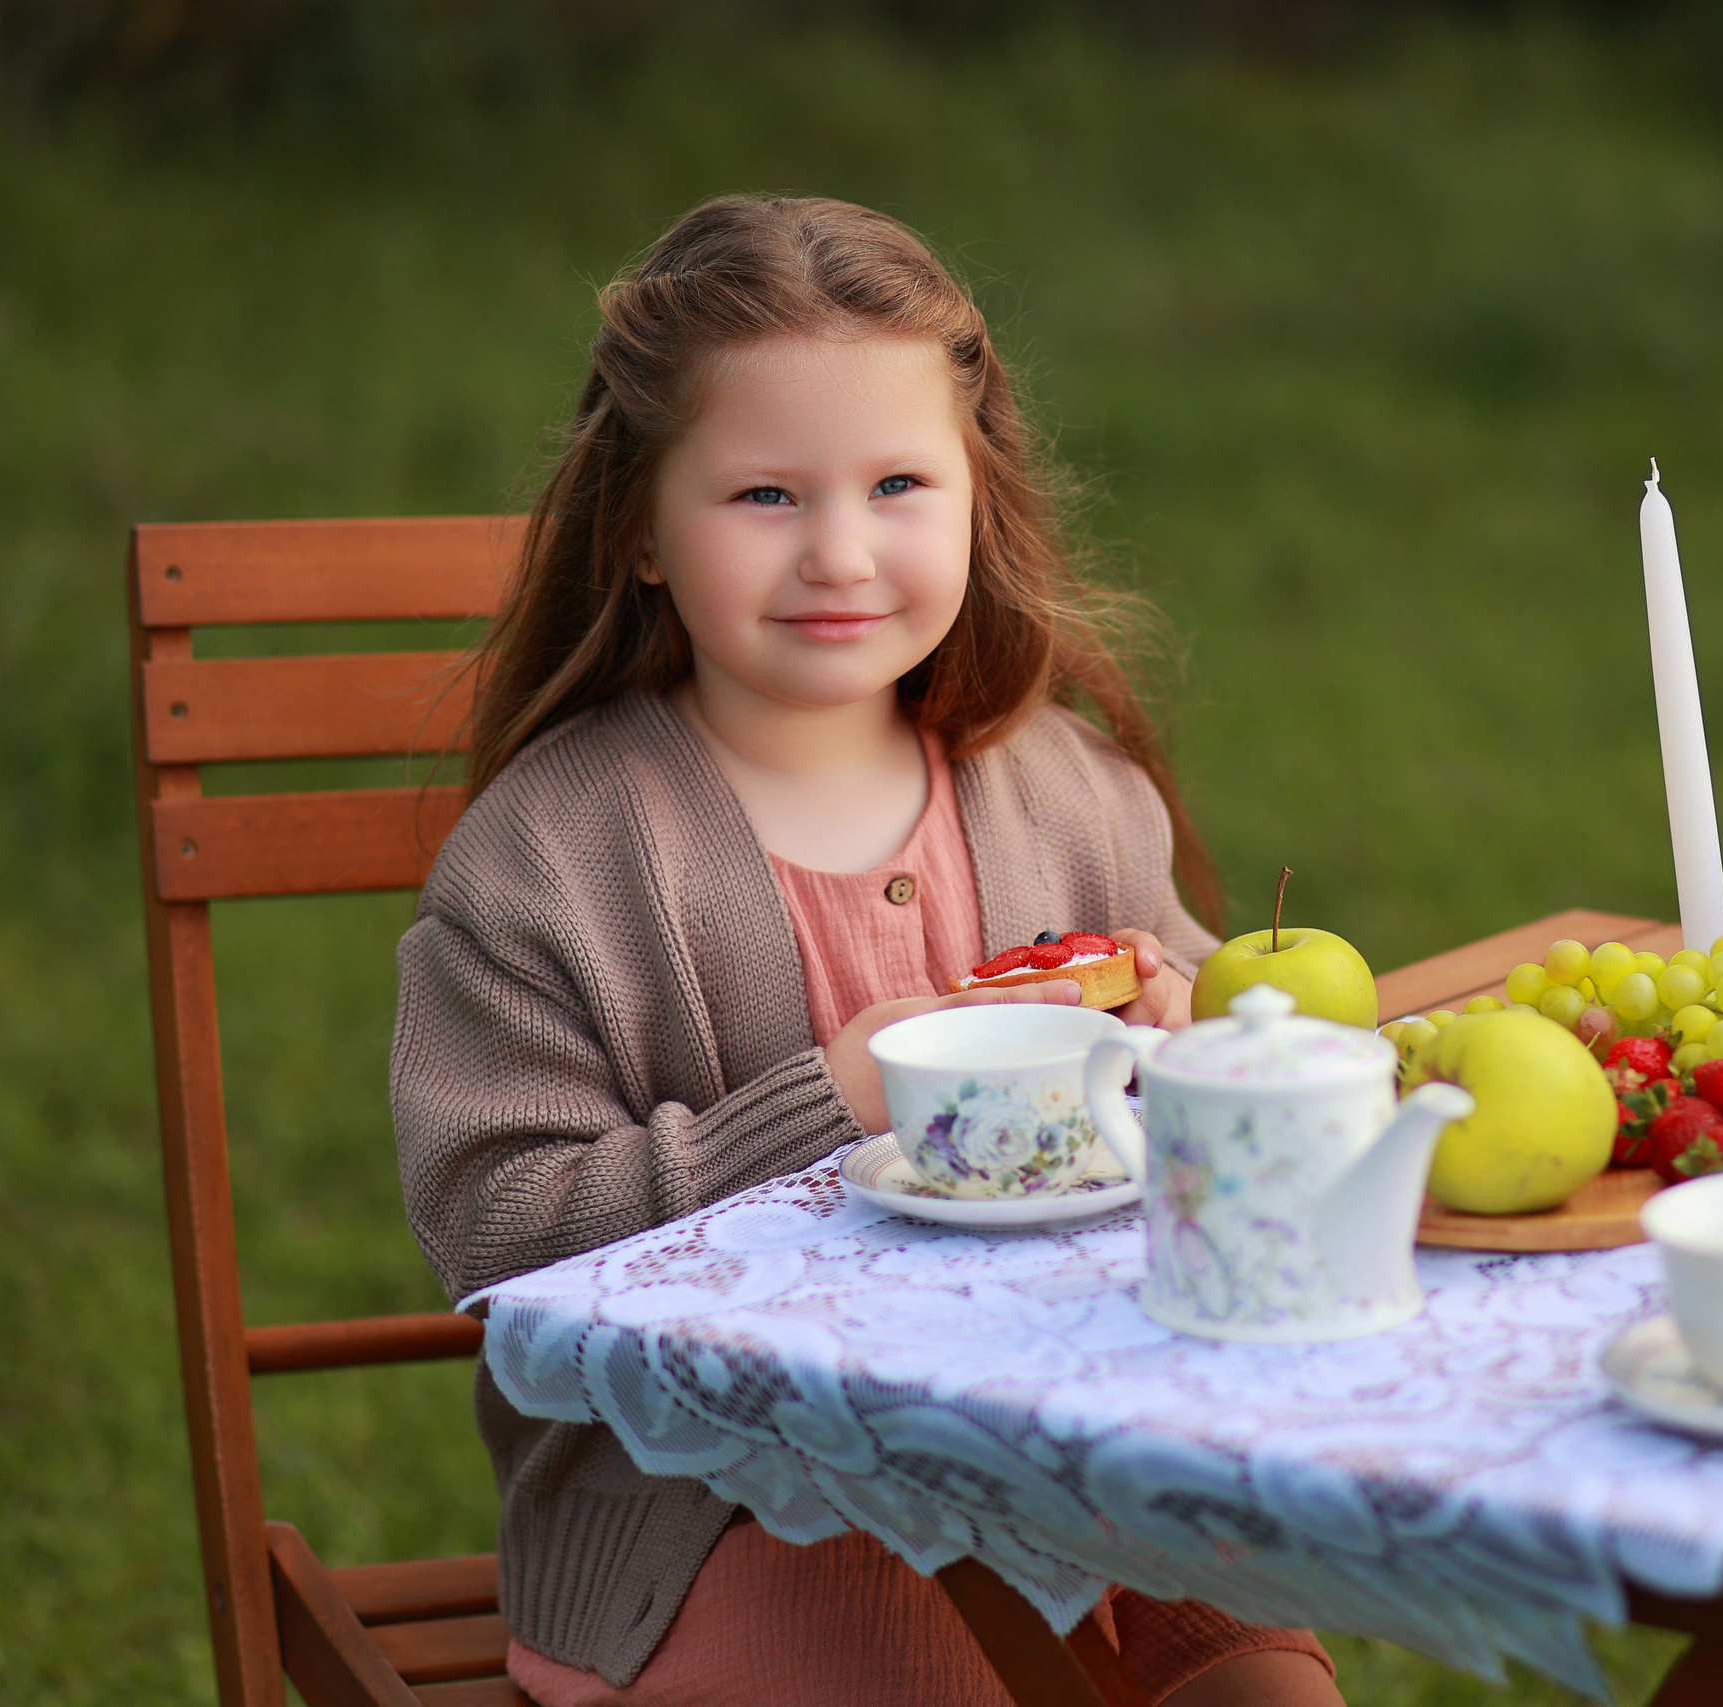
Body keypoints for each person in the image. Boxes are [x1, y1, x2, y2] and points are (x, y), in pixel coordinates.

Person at [392, 194, 1342, 1707]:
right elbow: (499, 1232)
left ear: (977, 497)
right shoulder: (553, 857)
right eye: (765, 496)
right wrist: (825, 1100)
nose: (841, 551)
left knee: (1266, 1688)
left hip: (1085, 1450)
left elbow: (1223, 1063)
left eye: (898, 483)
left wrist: (1195, 1041)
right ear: (638, 528)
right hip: (730, 1503)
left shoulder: (1062, 788)